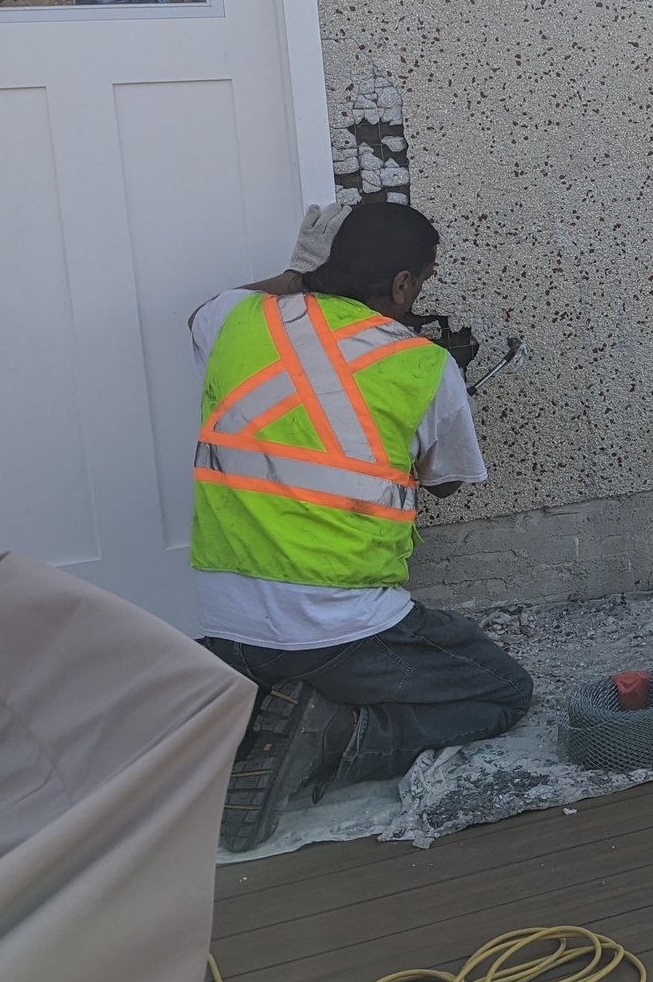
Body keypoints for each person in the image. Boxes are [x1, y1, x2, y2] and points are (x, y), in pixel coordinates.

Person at [191, 199, 532, 851]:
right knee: (504, 693)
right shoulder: (421, 365)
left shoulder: (235, 319)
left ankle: (269, 711)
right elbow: (447, 482)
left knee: (296, 663)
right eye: (422, 280)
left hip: (227, 627)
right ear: (403, 285)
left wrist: (299, 276)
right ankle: (340, 736)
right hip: (341, 631)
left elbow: (200, 309)